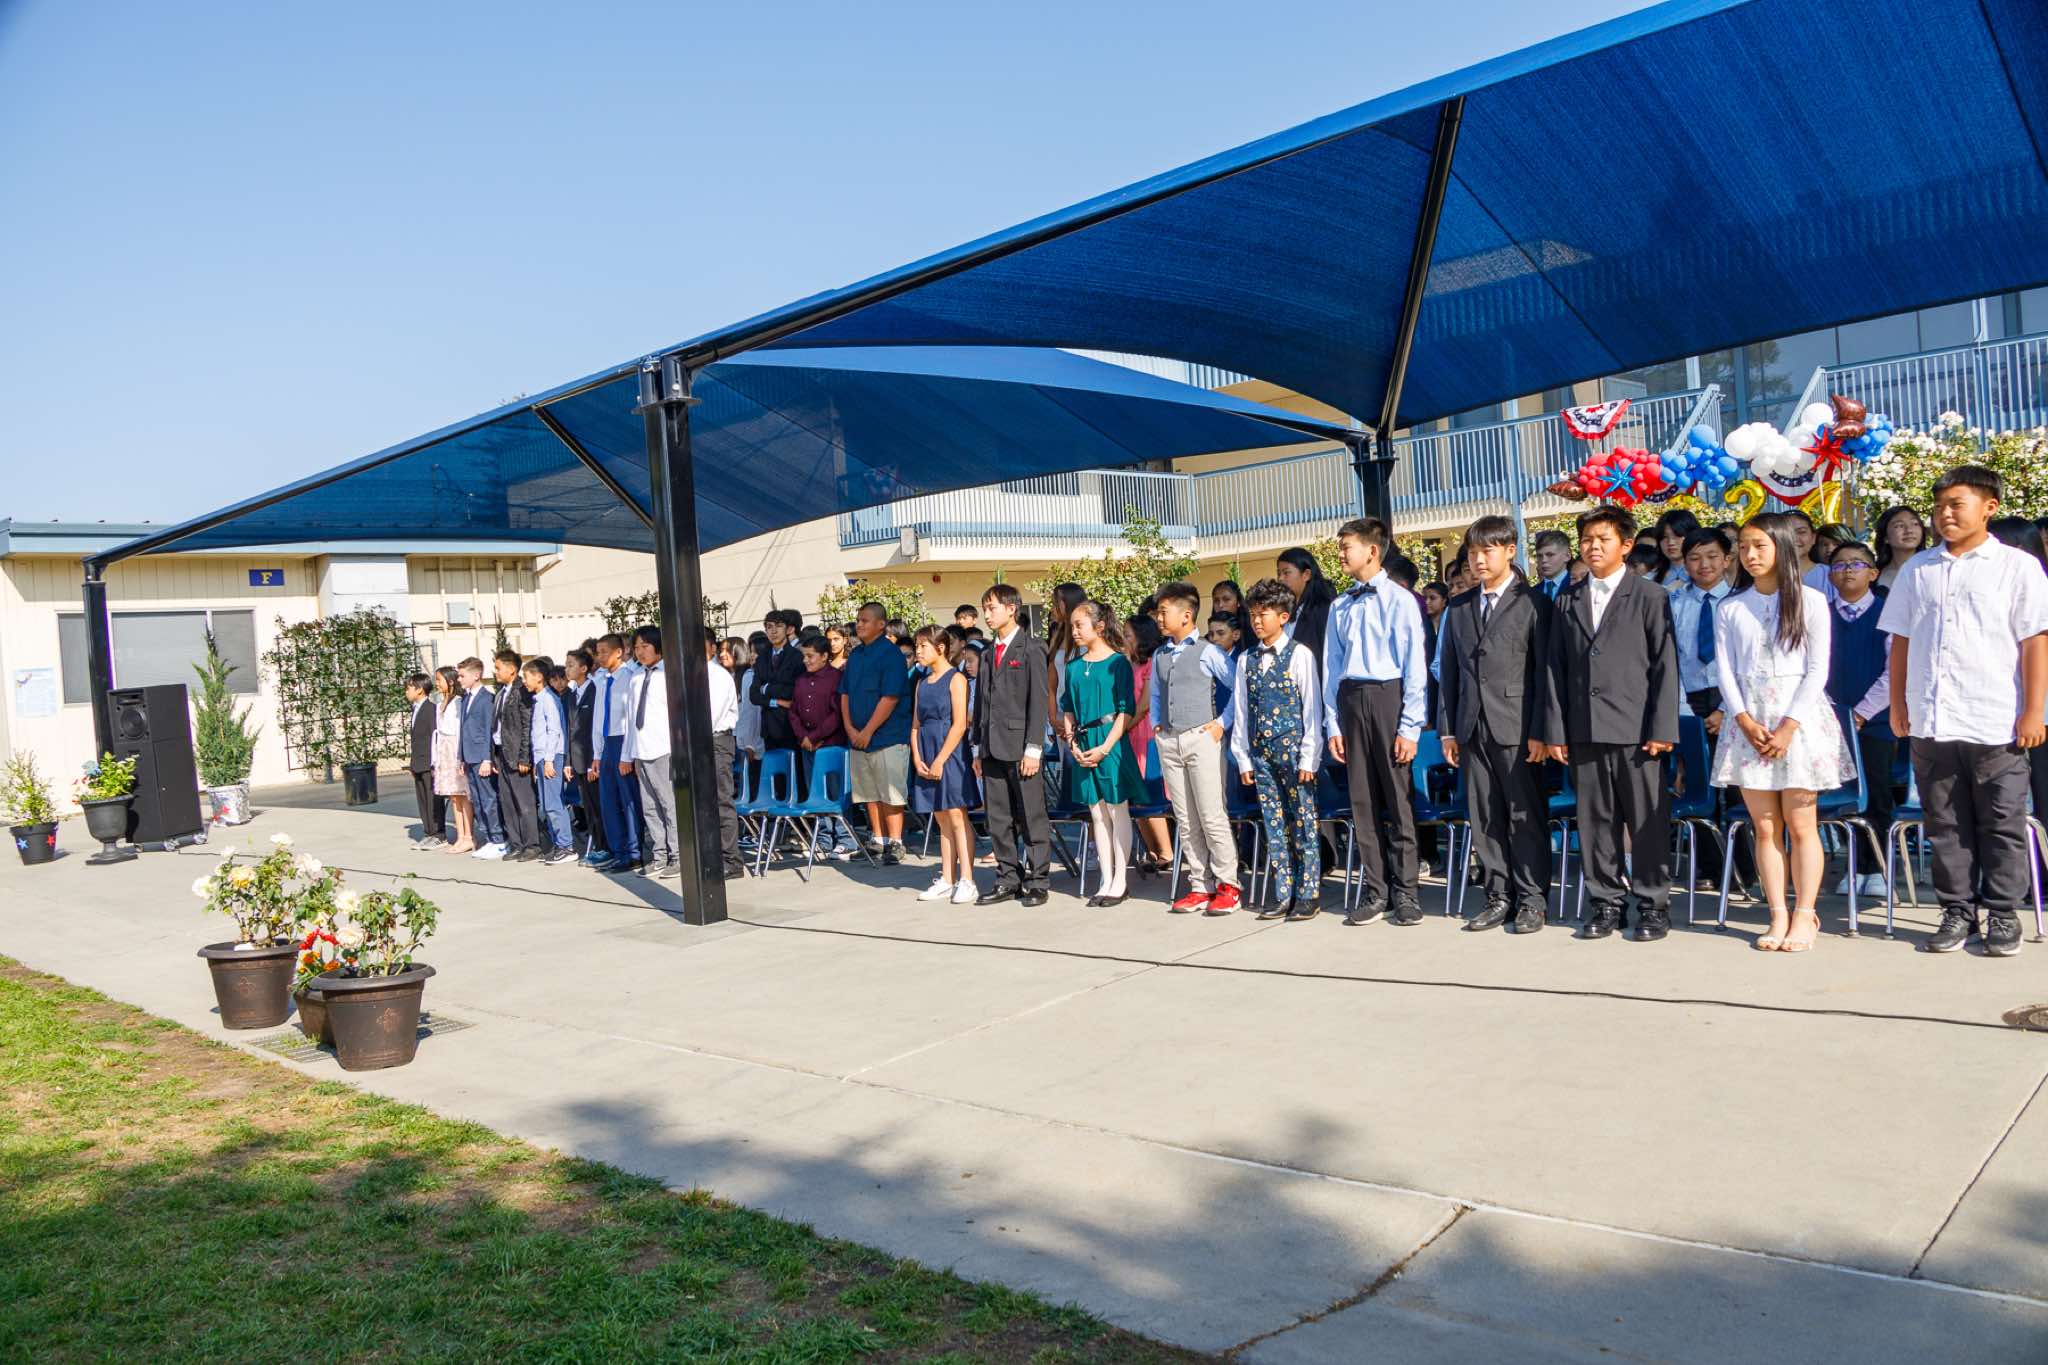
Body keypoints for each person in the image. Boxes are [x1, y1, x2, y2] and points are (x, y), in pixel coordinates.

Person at [1881, 467, 2048, 956]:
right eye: (1939, 507)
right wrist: (1899, 703)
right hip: (1931, 717)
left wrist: (2034, 711)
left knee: (2001, 820)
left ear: (1989, 507)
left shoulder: (2017, 567)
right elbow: (1901, 641)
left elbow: (2034, 642)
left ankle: (2003, 913)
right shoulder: (1919, 569)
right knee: (1944, 823)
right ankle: (1958, 910)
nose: (1945, 514)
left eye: (1956, 504)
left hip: (1995, 717)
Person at [1706, 514, 1857, 952]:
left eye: (1760, 546)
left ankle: (1805, 914)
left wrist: (1789, 725)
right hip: (1749, 723)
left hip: (1800, 720)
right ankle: (1777, 914)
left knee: (1801, 822)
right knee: (1766, 826)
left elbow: (1818, 669)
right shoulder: (1731, 607)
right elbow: (1726, 671)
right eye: (1745, 547)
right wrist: (1743, 720)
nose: (1750, 555)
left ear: (1782, 548)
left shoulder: (1811, 601)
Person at [1544, 506, 1680, 941]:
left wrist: (1662, 728)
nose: (1593, 546)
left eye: (1603, 539)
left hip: (1637, 730)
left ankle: (1653, 905)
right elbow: (1555, 668)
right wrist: (1555, 730)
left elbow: (1665, 665)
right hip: (1584, 728)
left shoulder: (1650, 596)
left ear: (1625, 545)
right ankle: (1605, 903)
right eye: (1587, 539)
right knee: (1595, 822)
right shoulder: (1567, 598)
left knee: (1646, 821)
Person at [1437, 516, 1554, 935]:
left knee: (1525, 815)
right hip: (1472, 725)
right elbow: (1450, 672)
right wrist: (1448, 729)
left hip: (1518, 726)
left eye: (1487, 551)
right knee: (1484, 815)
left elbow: (1543, 672)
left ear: (1510, 551)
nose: (1479, 560)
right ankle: (1498, 896)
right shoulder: (1458, 608)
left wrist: (1542, 730)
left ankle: (1532, 899)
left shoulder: (1533, 602)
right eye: (1472, 553)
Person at [1323, 518, 1429, 926]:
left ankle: (1406, 892)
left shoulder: (1400, 600)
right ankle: (1376, 889)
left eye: (1346, 546)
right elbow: (1331, 668)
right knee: (1362, 801)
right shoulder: (1340, 605)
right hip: (1351, 699)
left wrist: (1409, 726)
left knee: (1398, 800)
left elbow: (1414, 665)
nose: (1341, 554)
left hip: (1389, 696)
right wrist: (1333, 724)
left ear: (1371, 550)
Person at [1231, 579, 1324, 922]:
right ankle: (1284, 891)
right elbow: (1242, 712)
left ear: (1283, 617)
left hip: (1295, 754)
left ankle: (1308, 892)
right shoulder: (1246, 660)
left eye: (1264, 614)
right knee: (1274, 823)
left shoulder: (1300, 654)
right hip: (1261, 754)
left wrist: (1310, 756)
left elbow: (1312, 709)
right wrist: (1243, 756)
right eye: (1253, 614)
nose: (1257, 621)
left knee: (1303, 821)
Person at [1151, 580, 1241, 915]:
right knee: (1185, 818)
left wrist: (1221, 723)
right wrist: (1157, 724)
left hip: (1202, 738)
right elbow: (1157, 692)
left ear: (1186, 615)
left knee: (1211, 814)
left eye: (1164, 612)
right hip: (1170, 739)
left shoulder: (1209, 651)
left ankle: (1228, 884)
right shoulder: (1160, 654)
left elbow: (1239, 686)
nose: (1159, 618)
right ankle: (1200, 885)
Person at [972, 583, 1052, 905]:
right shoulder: (987, 653)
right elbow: (982, 703)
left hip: (1021, 747)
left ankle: (1038, 879)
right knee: (999, 818)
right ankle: (1008, 878)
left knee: (1031, 815)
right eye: (985, 608)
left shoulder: (1032, 648)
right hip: (991, 746)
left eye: (992, 608)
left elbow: (1038, 701)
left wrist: (1034, 747)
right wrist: (977, 747)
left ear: (1011, 609)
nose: (987, 614)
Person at [1063, 599, 1147, 909]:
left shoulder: (1118, 663)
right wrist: (1072, 743)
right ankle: (1106, 877)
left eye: (1079, 625)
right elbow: (1068, 709)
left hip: (1110, 741)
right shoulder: (1072, 667)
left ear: (1099, 626)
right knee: (1096, 814)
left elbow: (1126, 711)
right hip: (1083, 741)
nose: (1074, 631)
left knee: (1116, 809)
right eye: (1072, 626)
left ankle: (1120, 880)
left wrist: (1106, 747)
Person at [1822, 541, 1894, 897]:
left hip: (1876, 722)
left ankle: (1877, 869)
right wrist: (1831, 712)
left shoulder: (1887, 613)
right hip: (1830, 722)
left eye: (1856, 564)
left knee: (1876, 796)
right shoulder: (1820, 615)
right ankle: (1853, 866)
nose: (1847, 570)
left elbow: (1894, 672)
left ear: (1873, 572)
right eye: (1839, 565)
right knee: (1842, 797)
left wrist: (1862, 713)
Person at [910, 626, 980, 903]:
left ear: (940, 648)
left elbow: (960, 724)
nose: (918, 651)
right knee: (940, 816)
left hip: (950, 753)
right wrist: (917, 757)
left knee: (956, 814)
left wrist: (940, 759)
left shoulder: (956, 679)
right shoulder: (921, 682)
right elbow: (915, 724)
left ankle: (967, 879)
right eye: (917, 646)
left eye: (923, 646)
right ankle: (947, 879)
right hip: (926, 750)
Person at [839, 602, 912, 863]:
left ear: (881, 625)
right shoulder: (856, 655)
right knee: (868, 792)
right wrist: (850, 728)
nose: (859, 625)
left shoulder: (891, 654)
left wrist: (868, 730)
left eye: (865, 620)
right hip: (858, 737)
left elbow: (890, 697)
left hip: (887, 737)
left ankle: (896, 842)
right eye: (858, 620)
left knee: (890, 792)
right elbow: (844, 693)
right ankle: (878, 840)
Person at [620, 625, 679, 878]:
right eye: (636, 647)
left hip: (663, 749)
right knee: (650, 808)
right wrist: (628, 755)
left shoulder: (669, 675)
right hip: (641, 751)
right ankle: (659, 855)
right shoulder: (635, 678)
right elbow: (630, 719)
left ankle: (678, 855)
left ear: (658, 647)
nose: (640, 651)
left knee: (669, 804)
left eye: (645, 646)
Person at [590, 633, 645, 873]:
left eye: (605, 652)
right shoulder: (601, 679)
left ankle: (634, 853)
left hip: (623, 742)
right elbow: (598, 718)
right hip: (606, 744)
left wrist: (626, 756)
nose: (600, 657)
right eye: (598, 652)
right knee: (609, 801)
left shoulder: (629, 677)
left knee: (628, 800)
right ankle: (618, 851)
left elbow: (630, 720)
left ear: (619, 652)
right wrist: (597, 753)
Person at [1124, 611, 1173, 874]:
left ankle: (1165, 852)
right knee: (1136, 797)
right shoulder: (1128, 663)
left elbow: (1144, 704)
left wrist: (1122, 727)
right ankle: (1152, 852)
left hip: (1146, 732)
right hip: (1131, 732)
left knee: (1149, 794)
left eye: (1129, 635)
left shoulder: (1153, 663)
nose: (1124, 640)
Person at [522, 657, 577, 866]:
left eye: (526, 677)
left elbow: (554, 731)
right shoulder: (538, 699)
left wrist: (548, 760)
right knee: (546, 804)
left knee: (554, 804)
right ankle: (557, 844)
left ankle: (566, 846)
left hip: (551, 757)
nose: (524, 681)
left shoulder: (549, 699)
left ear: (538, 677)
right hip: (542, 758)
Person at [703, 627, 746, 881]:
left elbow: (711, 715)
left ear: (711, 648)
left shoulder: (718, 676)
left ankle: (732, 860)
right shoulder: (692, 675)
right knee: (705, 803)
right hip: (699, 743)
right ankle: (712, 855)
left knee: (721, 802)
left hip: (717, 741)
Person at [489, 649, 540, 863]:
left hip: (517, 755)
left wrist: (524, 757)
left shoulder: (521, 690)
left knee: (524, 802)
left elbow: (527, 725)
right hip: (502, 754)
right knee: (508, 802)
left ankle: (532, 844)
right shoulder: (501, 692)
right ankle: (516, 843)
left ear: (511, 669)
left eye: (498, 668)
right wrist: (493, 755)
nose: (495, 671)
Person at [456, 657, 508, 860]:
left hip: (481, 757)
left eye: (462, 675)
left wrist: (487, 759)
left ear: (476, 675)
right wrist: (461, 757)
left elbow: (488, 730)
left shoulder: (487, 699)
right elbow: (463, 730)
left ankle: (499, 839)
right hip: (469, 757)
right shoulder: (465, 699)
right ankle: (489, 838)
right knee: (477, 800)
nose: (459, 679)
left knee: (488, 799)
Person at [564, 649, 606, 863]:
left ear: (584, 668)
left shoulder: (595, 690)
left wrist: (592, 762)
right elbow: (570, 730)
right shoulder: (572, 695)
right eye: (566, 665)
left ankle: (605, 847)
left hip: (592, 761)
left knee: (599, 808)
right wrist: (568, 762)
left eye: (571, 665)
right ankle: (598, 846)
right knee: (588, 807)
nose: (567, 669)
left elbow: (594, 730)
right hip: (578, 760)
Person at [430, 666, 474, 854]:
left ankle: (468, 836)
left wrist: (460, 757)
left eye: (439, 680)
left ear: (450, 681)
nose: (437, 684)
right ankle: (460, 835)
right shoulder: (440, 702)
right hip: (444, 751)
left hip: (455, 749)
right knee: (454, 796)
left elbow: (459, 730)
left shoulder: (458, 702)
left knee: (463, 794)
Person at [1275, 546, 1338, 674]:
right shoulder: (1285, 611)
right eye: (1279, 573)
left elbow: (1328, 654)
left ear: (1306, 575)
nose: (1280, 578)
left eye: (1286, 573)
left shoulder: (1323, 608)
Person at [404, 673, 445, 849]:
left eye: (409, 688)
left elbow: (434, 737)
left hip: (429, 762)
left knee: (433, 798)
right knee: (422, 799)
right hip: (418, 762)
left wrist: (435, 763)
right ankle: (428, 832)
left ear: (420, 690)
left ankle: (438, 834)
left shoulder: (431, 709)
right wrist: (413, 764)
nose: (406, 692)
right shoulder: (415, 709)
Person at [1873, 505, 1929, 590]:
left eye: (1915, 524)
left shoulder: (1934, 567)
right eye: (1900, 526)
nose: (1909, 530)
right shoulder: (1872, 575)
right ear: (1885, 537)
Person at [1649, 508, 1703, 591]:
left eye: (1677, 535)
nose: (1671, 542)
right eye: (1665, 537)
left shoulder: (1707, 573)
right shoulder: (1650, 578)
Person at [1531, 529, 1573, 601]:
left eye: (1550, 555)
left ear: (1567, 556)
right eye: (1539, 556)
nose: (1544, 560)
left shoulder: (1577, 587)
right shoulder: (1531, 593)